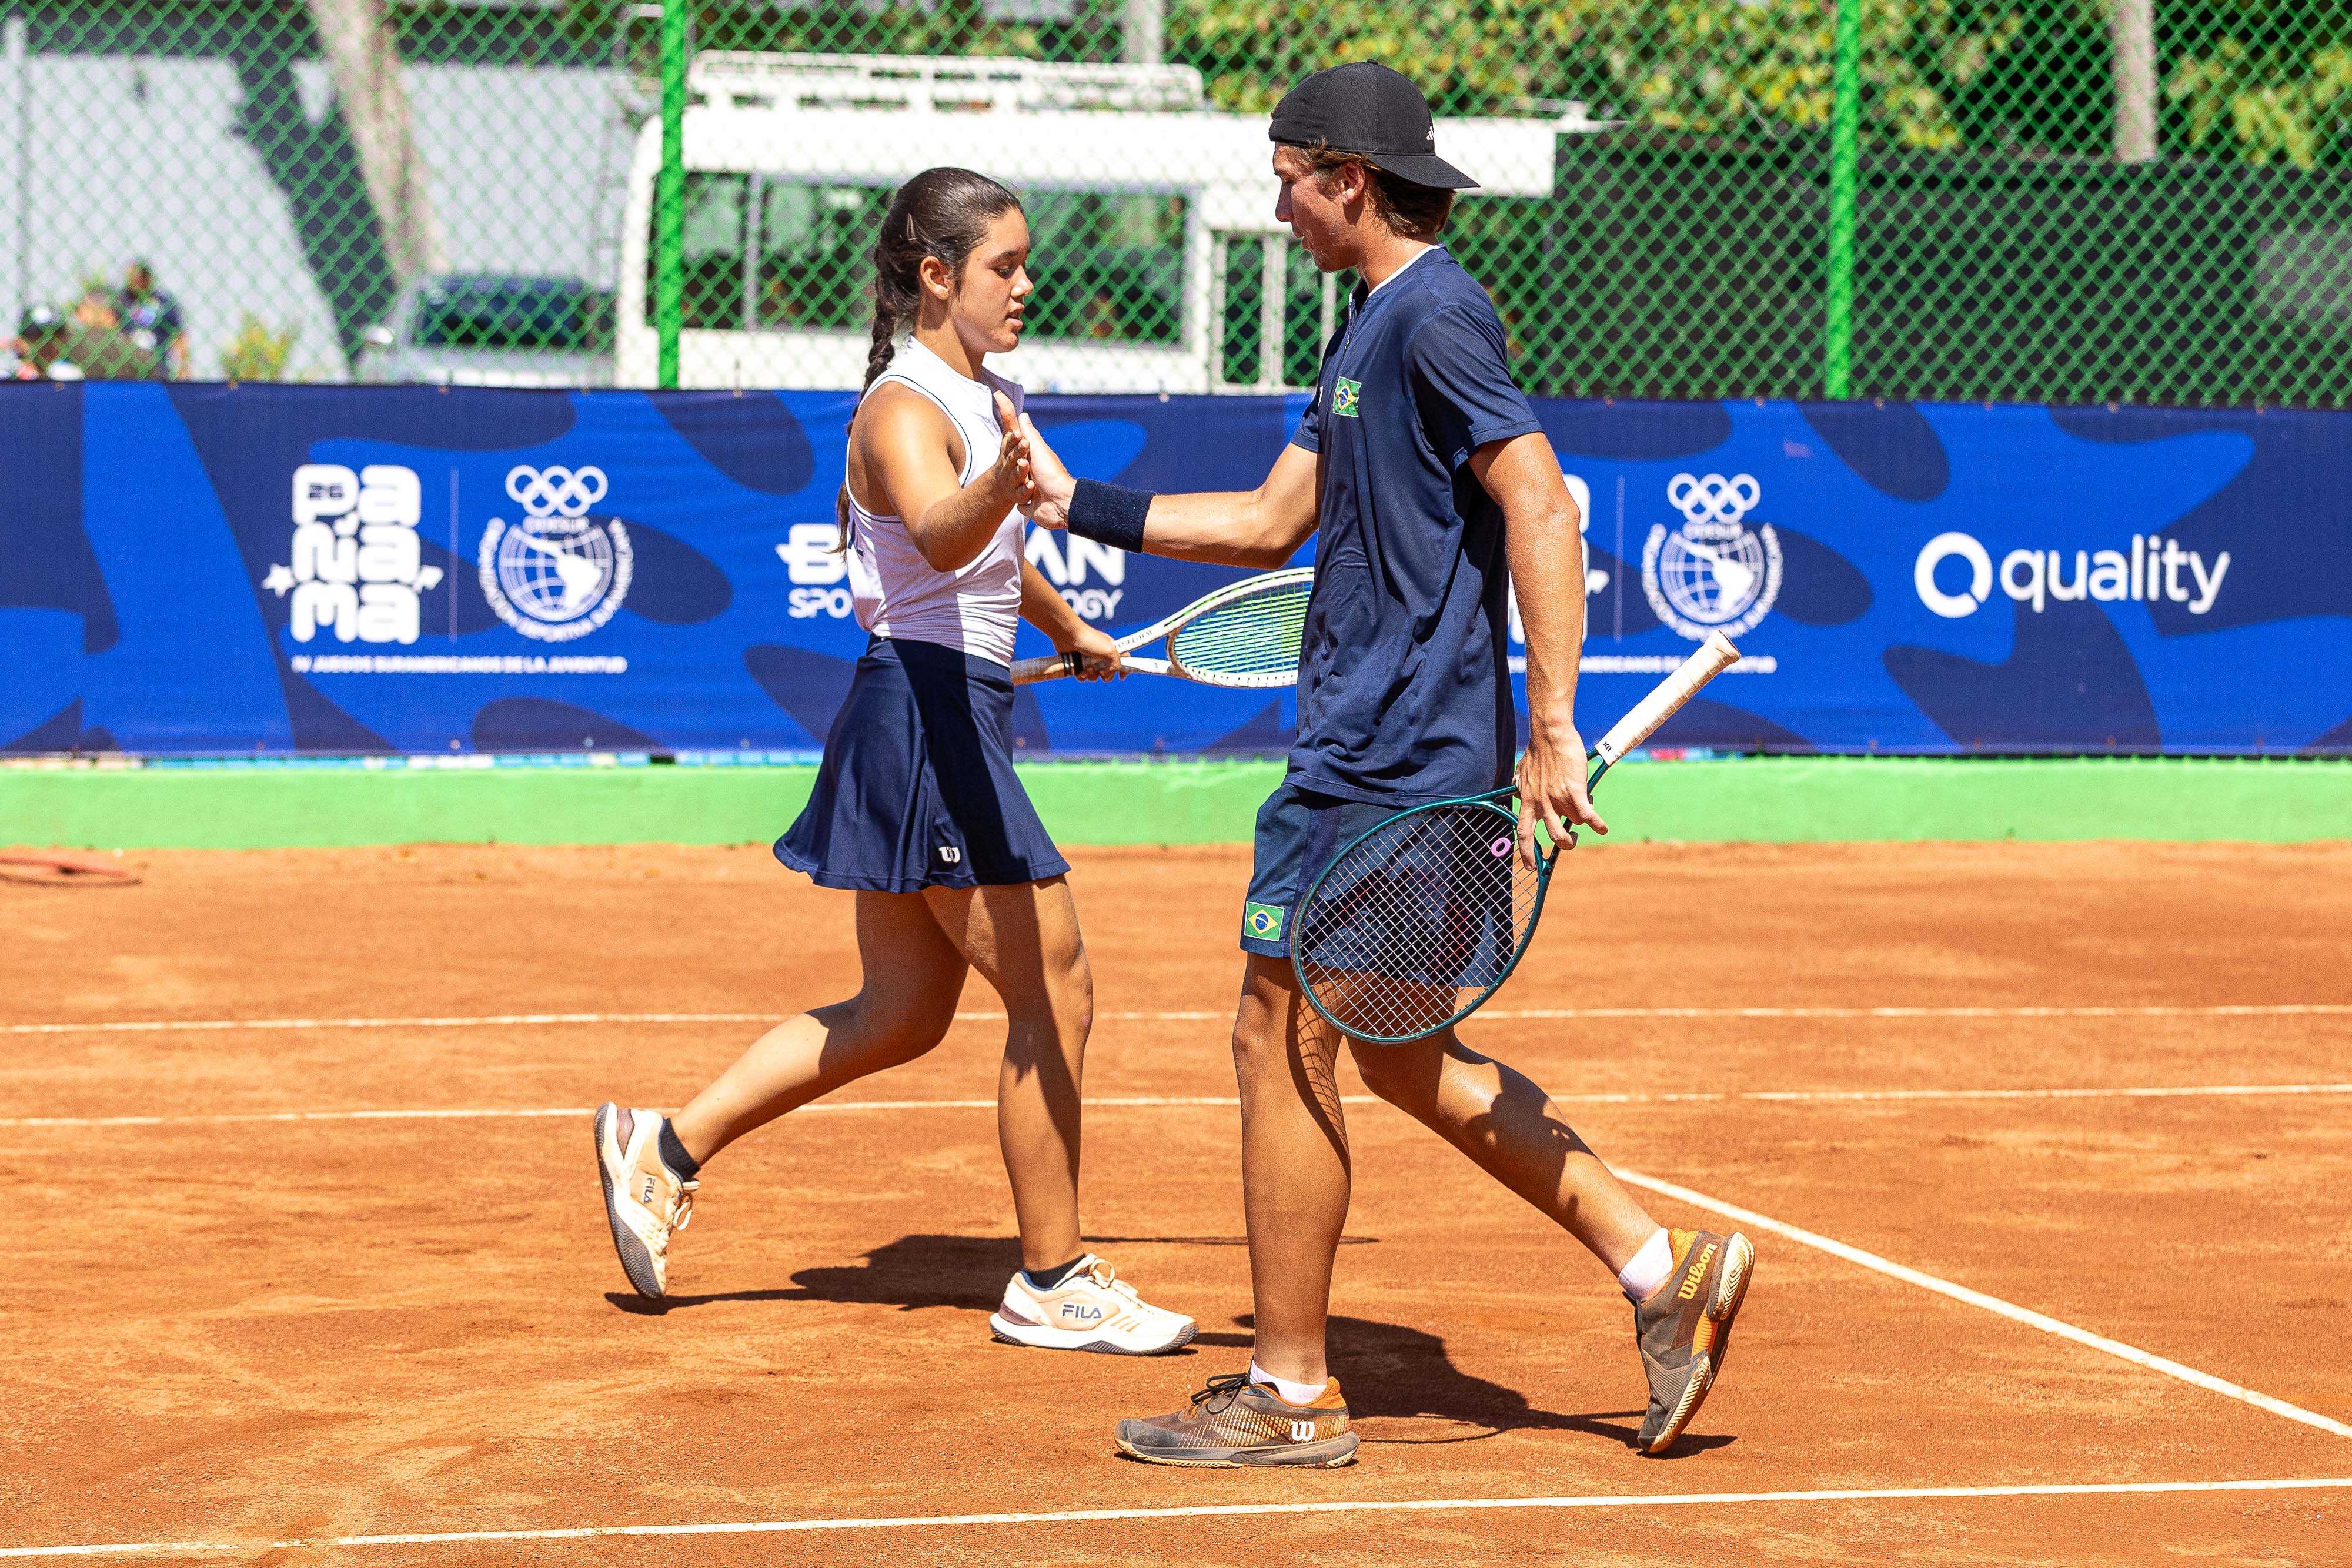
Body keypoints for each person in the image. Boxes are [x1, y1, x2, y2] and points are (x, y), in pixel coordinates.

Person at [1023, 63, 1756, 1466]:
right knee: (1402, 1057)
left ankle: (1291, 1392)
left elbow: (1538, 498)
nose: (1279, 203)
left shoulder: (1433, 315)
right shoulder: (1368, 324)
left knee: (1276, 1033)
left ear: (1346, 182)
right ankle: (1665, 1276)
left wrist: (1550, 730)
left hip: (1387, 762)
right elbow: (1265, 521)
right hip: (1387, 749)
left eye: (1288, 178)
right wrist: (1080, 504)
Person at [594, 167, 1196, 1357]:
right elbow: (936, 527)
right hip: (924, 716)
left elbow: (982, 553)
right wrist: (1003, 482)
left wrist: (1065, 625)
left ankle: (661, 1147)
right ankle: (1052, 1276)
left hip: (939, 705)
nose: (1026, 286)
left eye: (1026, 265)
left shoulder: (984, 395)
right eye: (1003, 267)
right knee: (1055, 985)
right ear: (937, 277)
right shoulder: (901, 407)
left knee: (901, 1012)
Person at [116, 261, 188, 379]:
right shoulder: (120, 302)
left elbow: (179, 337)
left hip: (158, 368)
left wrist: (183, 367)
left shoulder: (164, 304)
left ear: (147, 279)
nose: (134, 281)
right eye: (131, 277)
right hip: (126, 368)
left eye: (139, 277)